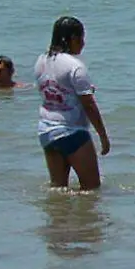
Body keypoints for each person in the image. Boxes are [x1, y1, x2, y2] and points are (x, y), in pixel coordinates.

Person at [34, 16, 110, 190]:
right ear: (73, 38)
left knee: (58, 189)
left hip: (46, 131)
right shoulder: (75, 66)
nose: (83, 44)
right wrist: (103, 137)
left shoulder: (40, 61)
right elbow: (89, 105)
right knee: (91, 189)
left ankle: (59, 217)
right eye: (81, 38)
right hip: (72, 132)